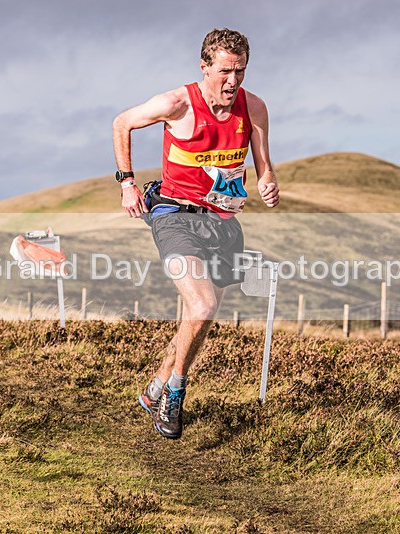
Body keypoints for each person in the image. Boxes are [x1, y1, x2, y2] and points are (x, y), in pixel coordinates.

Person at [112, 28, 279, 439]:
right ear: (204, 67)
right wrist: (127, 182)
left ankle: (153, 388)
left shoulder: (254, 108)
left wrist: (268, 182)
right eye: (224, 71)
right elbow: (121, 123)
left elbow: (264, 164)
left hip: (222, 223)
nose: (232, 81)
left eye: (240, 71)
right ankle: (174, 391)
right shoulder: (176, 103)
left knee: (197, 317)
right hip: (175, 216)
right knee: (202, 305)